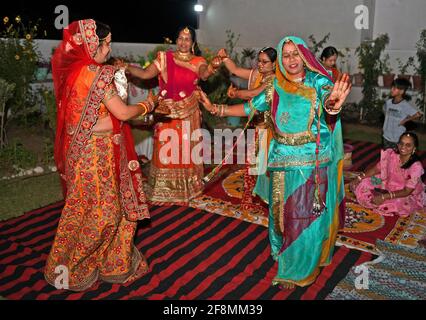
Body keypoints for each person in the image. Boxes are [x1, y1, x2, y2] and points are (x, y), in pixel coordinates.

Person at [200, 36, 351, 288]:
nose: (291, 60)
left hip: (310, 164)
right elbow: (250, 108)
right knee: (282, 215)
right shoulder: (276, 85)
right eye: (286, 54)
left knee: (305, 218)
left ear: (304, 56)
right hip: (281, 160)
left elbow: (329, 101)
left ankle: (298, 268)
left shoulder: (318, 81)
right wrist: (216, 108)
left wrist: (333, 105)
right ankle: (286, 253)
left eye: (295, 54)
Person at [45, 19, 154, 291]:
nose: (109, 48)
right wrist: (149, 104)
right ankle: (78, 267)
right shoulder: (98, 74)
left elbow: (91, 120)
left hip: (82, 152)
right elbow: (123, 113)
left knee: (81, 208)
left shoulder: (74, 71)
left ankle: (85, 263)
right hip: (97, 154)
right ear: (95, 44)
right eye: (107, 43)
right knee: (105, 212)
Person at [121, 26, 221, 205]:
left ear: (193, 43)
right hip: (166, 111)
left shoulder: (198, 60)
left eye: (187, 39)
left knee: (186, 148)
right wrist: (127, 67)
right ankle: (163, 189)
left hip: (188, 111)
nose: (183, 42)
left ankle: (188, 188)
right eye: (181, 38)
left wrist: (213, 65)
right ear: (177, 41)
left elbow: (204, 74)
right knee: (166, 147)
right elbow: (145, 74)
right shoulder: (164, 58)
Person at [218, 47, 277, 210]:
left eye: (265, 62)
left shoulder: (273, 80)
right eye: (259, 60)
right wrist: (224, 58)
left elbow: (253, 94)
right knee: (252, 163)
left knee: (266, 166)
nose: (260, 64)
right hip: (257, 127)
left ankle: (271, 201)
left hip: (270, 131)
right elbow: (235, 70)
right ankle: (249, 198)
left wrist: (236, 94)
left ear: (274, 64)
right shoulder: (258, 74)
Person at [351, 132, 425, 217]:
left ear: (414, 148)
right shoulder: (391, 155)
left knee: (397, 203)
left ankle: (380, 201)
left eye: (408, 145)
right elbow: (376, 169)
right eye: (401, 143)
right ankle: (376, 199)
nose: (403, 147)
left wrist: (384, 197)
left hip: (405, 193)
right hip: (387, 183)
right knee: (364, 182)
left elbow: (407, 191)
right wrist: (359, 178)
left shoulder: (416, 167)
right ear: (398, 144)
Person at [382, 78, 423, 150]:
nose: (391, 89)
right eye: (392, 87)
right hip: (386, 135)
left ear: (401, 91)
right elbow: (385, 111)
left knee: (396, 157)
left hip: (398, 137)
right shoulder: (388, 102)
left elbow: (418, 114)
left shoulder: (404, 105)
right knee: (386, 156)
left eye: (394, 88)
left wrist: (405, 120)